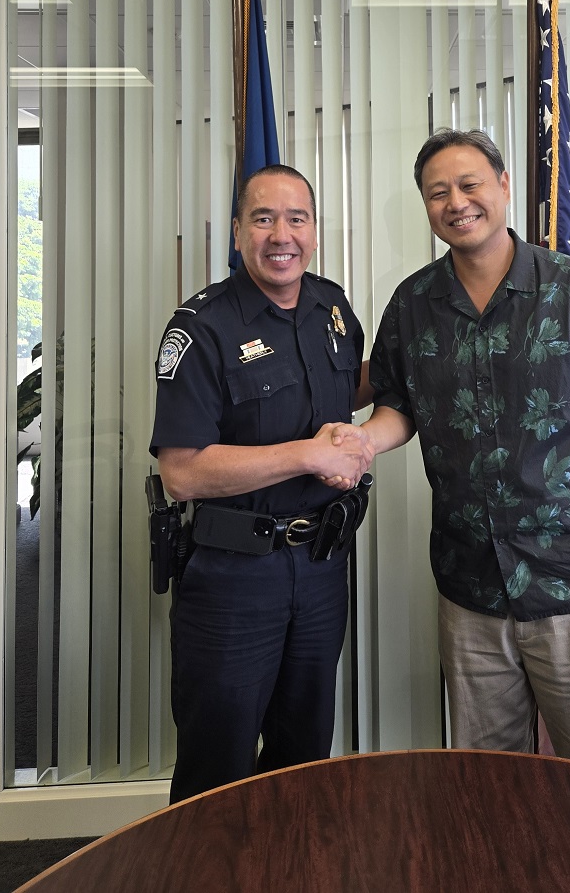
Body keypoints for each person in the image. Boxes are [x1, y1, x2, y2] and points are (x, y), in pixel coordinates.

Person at [340, 129, 570, 771]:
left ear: (504, 185)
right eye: (438, 193)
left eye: (470, 184)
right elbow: (398, 404)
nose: (456, 203)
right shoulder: (413, 303)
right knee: (488, 781)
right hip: (472, 586)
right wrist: (361, 441)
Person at [149, 164, 373, 803]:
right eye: (264, 219)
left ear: (315, 231)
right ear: (238, 231)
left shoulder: (331, 308)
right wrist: (308, 454)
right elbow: (182, 472)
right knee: (216, 770)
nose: (282, 236)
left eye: (296, 219)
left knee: (303, 759)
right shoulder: (202, 328)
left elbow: (341, 390)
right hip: (233, 578)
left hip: (322, 567)